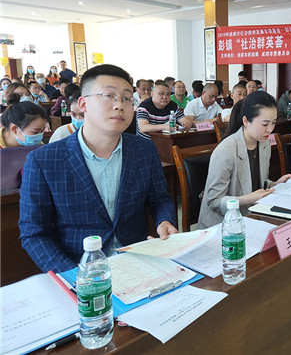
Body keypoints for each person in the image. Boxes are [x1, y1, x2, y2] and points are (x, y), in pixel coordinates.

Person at [19, 64, 178, 273]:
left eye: (127, 98)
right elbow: (34, 234)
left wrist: (165, 220)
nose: (119, 105)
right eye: (108, 96)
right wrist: (74, 276)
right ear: (83, 104)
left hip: (139, 264)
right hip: (79, 269)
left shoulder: (144, 149)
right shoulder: (43, 160)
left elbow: (160, 199)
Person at [198, 92, 291, 228]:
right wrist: (250, 198)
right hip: (222, 224)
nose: (270, 130)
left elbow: (257, 183)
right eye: (265, 124)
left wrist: (274, 184)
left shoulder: (264, 143)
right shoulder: (226, 150)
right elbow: (214, 201)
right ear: (246, 121)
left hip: (252, 215)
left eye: (273, 123)